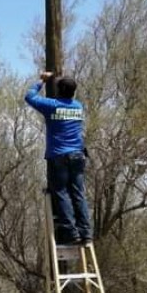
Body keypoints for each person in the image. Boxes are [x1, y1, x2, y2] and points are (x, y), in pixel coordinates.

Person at [24, 72, 92, 245]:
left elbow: (29, 96)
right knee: (78, 193)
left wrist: (42, 80)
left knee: (61, 193)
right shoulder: (78, 107)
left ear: (59, 91)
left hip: (59, 156)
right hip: (77, 155)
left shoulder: (52, 105)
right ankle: (86, 233)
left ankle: (71, 232)